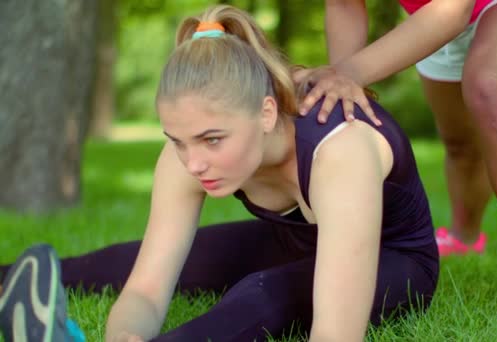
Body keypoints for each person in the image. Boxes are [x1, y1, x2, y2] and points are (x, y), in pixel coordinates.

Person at [0, 5, 438, 341]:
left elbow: (335, 335)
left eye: (212, 140)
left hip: (394, 260)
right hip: (293, 243)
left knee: (262, 294)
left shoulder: (339, 152)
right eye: (177, 140)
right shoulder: (190, 151)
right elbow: (146, 291)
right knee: (118, 263)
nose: (192, 163)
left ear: (267, 113)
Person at [293, 0, 497, 332]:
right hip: (431, 16)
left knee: (490, 84)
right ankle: (464, 236)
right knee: (459, 142)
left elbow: (452, 11)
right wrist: (339, 85)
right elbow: (345, 5)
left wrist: (350, 72)